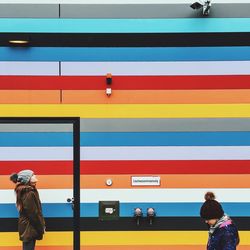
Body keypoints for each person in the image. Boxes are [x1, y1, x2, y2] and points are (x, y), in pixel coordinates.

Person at [10, 170, 45, 250]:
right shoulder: (28, 192)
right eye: (33, 175)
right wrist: (40, 227)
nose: (35, 177)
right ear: (27, 179)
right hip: (29, 227)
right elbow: (33, 213)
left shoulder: (28, 190)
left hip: (29, 226)